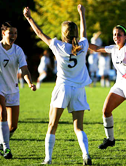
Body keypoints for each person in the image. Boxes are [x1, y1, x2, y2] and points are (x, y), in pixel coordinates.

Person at [23, 4, 92, 165]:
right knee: (79, 128)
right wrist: (81, 13)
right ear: (74, 33)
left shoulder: (57, 45)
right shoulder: (83, 46)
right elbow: (84, 33)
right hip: (79, 90)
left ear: (63, 34)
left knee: (52, 125)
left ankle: (48, 159)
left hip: (63, 88)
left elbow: (40, 33)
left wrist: (29, 18)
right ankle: (86, 154)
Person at [89, 16, 126, 149]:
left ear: (125, 37)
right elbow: (95, 48)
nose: (116, 36)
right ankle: (110, 139)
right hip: (120, 85)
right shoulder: (113, 48)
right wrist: (81, 43)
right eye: (114, 34)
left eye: (119, 34)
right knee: (106, 110)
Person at [0, 21, 36, 159]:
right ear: (3, 33)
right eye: (11, 33)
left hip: (13, 89)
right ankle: (7, 149)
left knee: (13, 126)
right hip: (0, 88)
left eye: (15, 33)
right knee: (2, 113)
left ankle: (2, 142)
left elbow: (24, 69)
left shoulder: (18, 50)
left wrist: (29, 83)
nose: (14, 36)